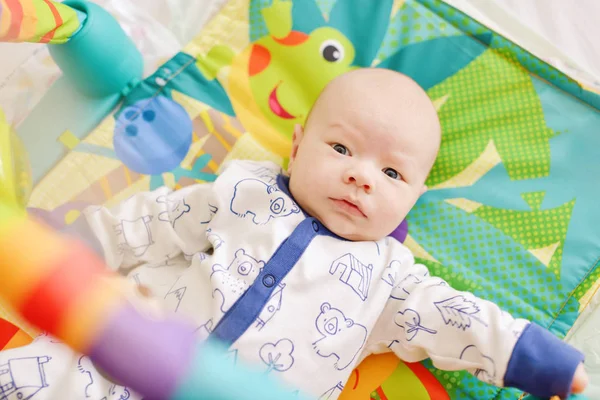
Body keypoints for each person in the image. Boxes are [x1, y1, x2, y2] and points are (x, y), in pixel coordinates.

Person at [0, 68, 588, 399]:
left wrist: (547, 364)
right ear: (298, 144)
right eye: (341, 148)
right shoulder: (239, 195)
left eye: (391, 172)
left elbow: (461, 322)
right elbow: (148, 225)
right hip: (114, 368)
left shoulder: (393, 284)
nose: (361, 174)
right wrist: (54, 253)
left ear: (413, 197)